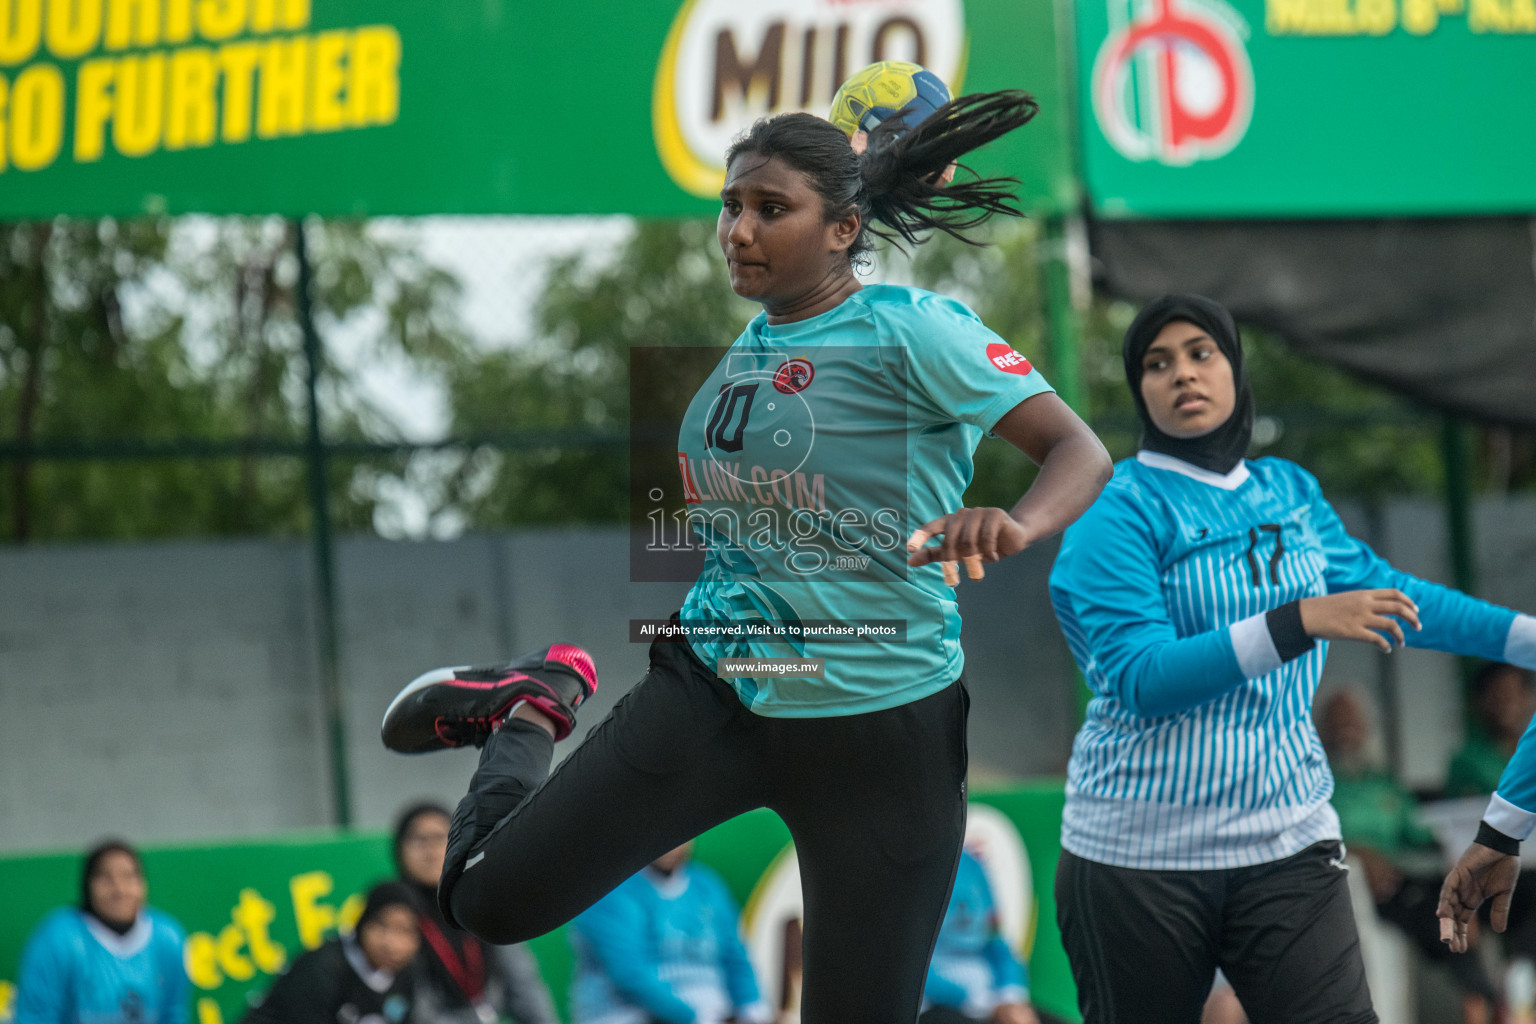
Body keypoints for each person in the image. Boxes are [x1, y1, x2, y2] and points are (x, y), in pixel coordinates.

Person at [380, 89, 1112, 1024]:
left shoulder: (916, 331)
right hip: (723, 690)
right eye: (731, 205)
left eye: (771, 209)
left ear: (846, 228)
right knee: (486, 898)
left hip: (882, 730)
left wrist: (1015, 521)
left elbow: (1079, 451)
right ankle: (529, 706)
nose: (738, 228)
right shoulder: (741, 357)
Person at [1046, 293, 1536, 1024]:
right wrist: (1296, 621)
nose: (1183, 373)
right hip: (1138, 855)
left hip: (1287, 839)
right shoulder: (1116, 509)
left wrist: (1524, 635)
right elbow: (1141, 679)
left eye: (1201, 352)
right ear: (1140, 390)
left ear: (1235, 370)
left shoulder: (1290, 491)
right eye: (1157, 363)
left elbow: (1391, 596)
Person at [1319, 690, 1495, 1023]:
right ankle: (1480, 1002)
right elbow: (1308, 837)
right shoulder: (1316, 783)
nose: (1345, 728)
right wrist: (1357, 853)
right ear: (1322, 729)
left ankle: (1483, 1001)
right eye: (1336, 720)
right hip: (1348, 889)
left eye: (1351, 720)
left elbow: (1421, 836)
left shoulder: (1383, 782)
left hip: (1400, 880)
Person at [393, 802, 560, 1024]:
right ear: (399, 849)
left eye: (440, 837)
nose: (430, 850)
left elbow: (523, 986)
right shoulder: (393, 913)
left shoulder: (480, 902)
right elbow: (412, 1008)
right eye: (419, 839)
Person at [568, 841, 770, 1024]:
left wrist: (753, 1010)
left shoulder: (707, 886)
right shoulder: (608, 889)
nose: (671, 842)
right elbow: (629, 975)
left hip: (715, 1012)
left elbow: (735, 956)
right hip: (628, 1015)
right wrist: (697, 1017)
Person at [15, 840, 189, 1024]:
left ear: (143, 885)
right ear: (87, 886)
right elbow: (35, 1017)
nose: (120, 890)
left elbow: (173, 1014)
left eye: (129, 877)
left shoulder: (168, 938)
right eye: (106, 878)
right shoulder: (57, 939)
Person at [241, 881, 421, 1024]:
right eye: (380, 925)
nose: (391, 943)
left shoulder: (407, 971)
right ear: (361, 923)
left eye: (405, 931)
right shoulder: (321, 967)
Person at [920, 848, 1037, 1024]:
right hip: (934, 1003)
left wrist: (1011, 997)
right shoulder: (908, 868)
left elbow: (997, 941)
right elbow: (908, 967)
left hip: (993, 1000)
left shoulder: (973, 865)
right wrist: (985, 1004)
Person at [1446, 662, 1536, 798]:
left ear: (1527, 698)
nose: (1506, 703)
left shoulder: (1530, 750)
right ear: (1478, 701)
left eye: (1511, 694)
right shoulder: (1467, 762)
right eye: (1497, 695)